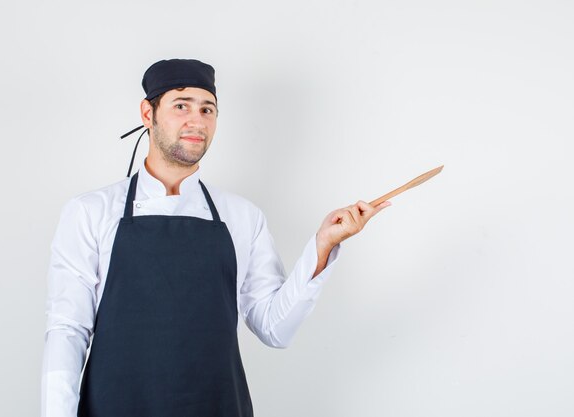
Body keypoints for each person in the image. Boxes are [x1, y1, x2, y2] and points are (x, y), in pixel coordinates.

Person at [41, 58, 391, 417]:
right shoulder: (90, 212)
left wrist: (322, 246)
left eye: (208, 109)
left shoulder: (241, 216)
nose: (197, 121)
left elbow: (274, 328)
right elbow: (68, 330)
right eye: (181, 106)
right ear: (148, 113)